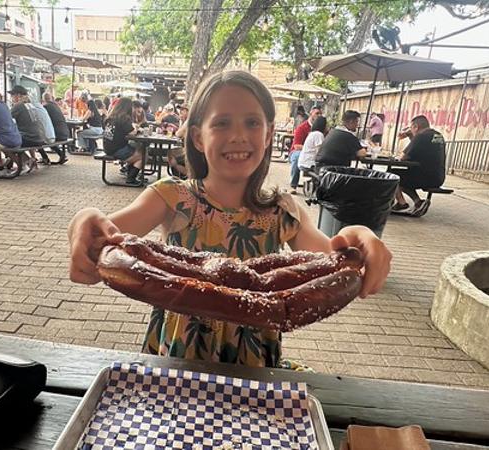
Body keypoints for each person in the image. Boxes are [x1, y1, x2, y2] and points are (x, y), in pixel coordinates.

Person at [68, 71, 391, 367]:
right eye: (222, 123)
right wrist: (85, 218)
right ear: (198, 137)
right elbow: (106, 236)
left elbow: (332, 259)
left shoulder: (282, 209)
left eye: (252, 123)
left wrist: (359, 237)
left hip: (253, 363)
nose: (238, 135)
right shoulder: (171, 197)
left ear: (268, 135)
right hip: (178, 361)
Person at [390, 115, 446, 217]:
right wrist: (411, 136)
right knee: (403, 177)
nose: (410, 130)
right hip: (438, 177)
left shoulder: (421, 136)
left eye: (411, 128)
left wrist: (411, 136)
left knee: (392, 175)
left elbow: (403, 157)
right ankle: (418, 202)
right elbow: (419, 148)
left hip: (424, 176)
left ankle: (402, 203)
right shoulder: (438, 136)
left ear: (416, 127)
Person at [102, 97, 144, 185]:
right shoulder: (124, 118)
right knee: (142, 155)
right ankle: (131, 178)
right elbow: (132, 132)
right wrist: (136, 128)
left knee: (138, 150)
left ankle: (128, 170)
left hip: (107, 147)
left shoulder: (110, 117)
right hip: (117, 149)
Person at [9, 85, 46, 172]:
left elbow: (5, 119)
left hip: (31, 138)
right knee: (23, 136)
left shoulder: (18, 106)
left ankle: (25, 163)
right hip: (40, 138)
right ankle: (32, 160)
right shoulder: (31, 105)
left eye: (12, 95)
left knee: (6, 143)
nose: (11, 98)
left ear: (18, 95)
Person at [289, 106, 322, 194]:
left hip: (313, 153)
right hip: (297, 152)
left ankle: (316, 184)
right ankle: (293, 185)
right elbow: (296, 146)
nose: (319, 115)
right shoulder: (302, 128)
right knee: (298, 157)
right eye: (317, 113)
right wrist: (309, 148)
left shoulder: (322, 129)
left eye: (320, 114)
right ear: (311, 113)